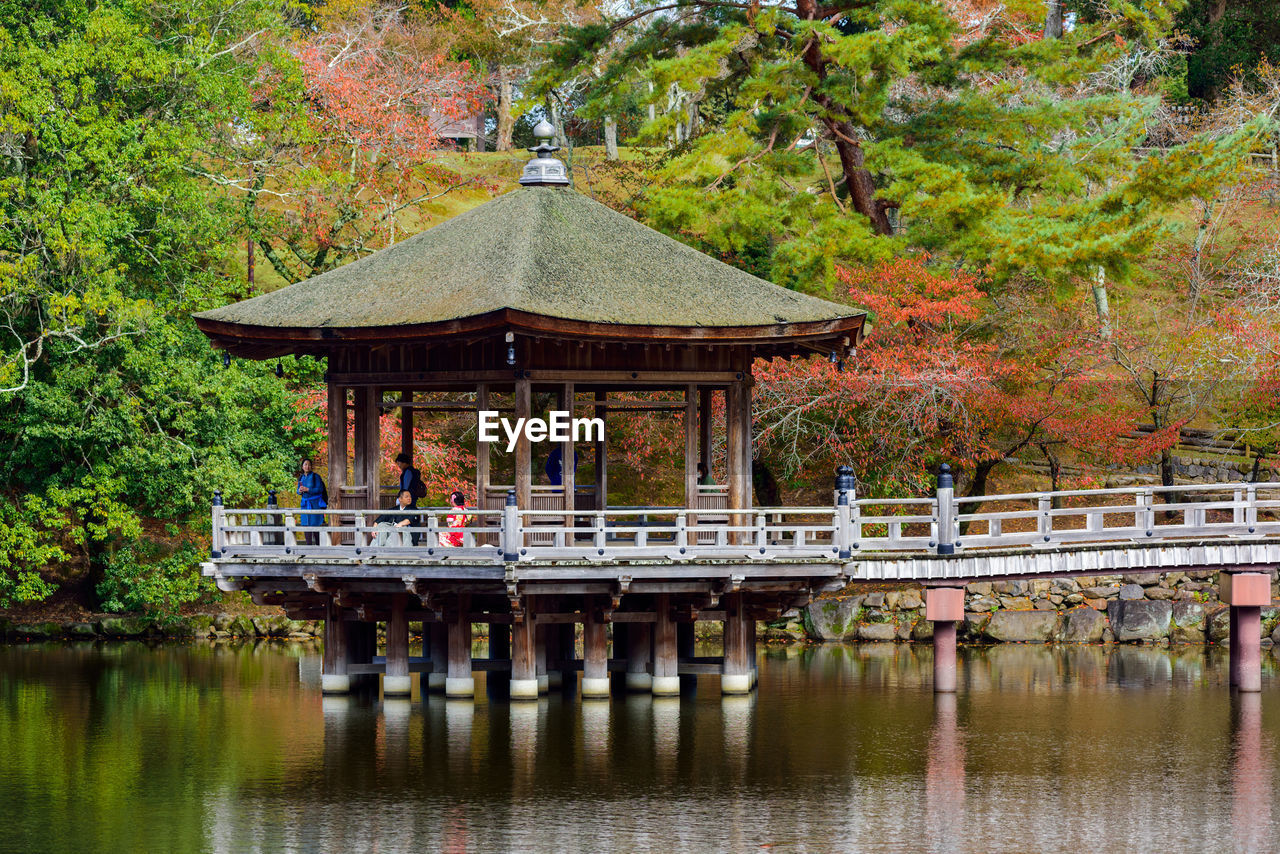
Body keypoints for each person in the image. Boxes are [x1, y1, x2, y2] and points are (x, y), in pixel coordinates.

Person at [296, 458, 327, 545]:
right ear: (302, 467)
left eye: (309, 465)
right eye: (305, 464)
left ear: (311, 466)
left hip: (315, 503)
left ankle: (318, 546)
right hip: (305, 504)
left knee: (315, 524)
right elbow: (298, 491)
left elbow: (320, 489)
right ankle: (308, 546)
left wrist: (308, 489)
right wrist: (300, 490)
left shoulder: (316, 476)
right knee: (306, 524)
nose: (307, 466)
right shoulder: (301, 478)